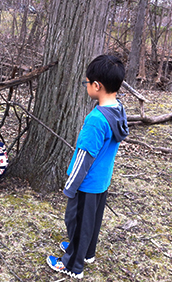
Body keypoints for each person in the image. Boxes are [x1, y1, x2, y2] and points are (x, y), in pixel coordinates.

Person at [46, 55, 129, 279]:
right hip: (102, 181)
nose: (86, 86)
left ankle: (73, 265)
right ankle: (87, 252)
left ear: (96, 85)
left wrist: (70, 186)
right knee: (92, 220)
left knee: (76, 221)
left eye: (86, 82)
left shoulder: (96, 120)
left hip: (87, 183)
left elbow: (84, 157)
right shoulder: (118, 110)